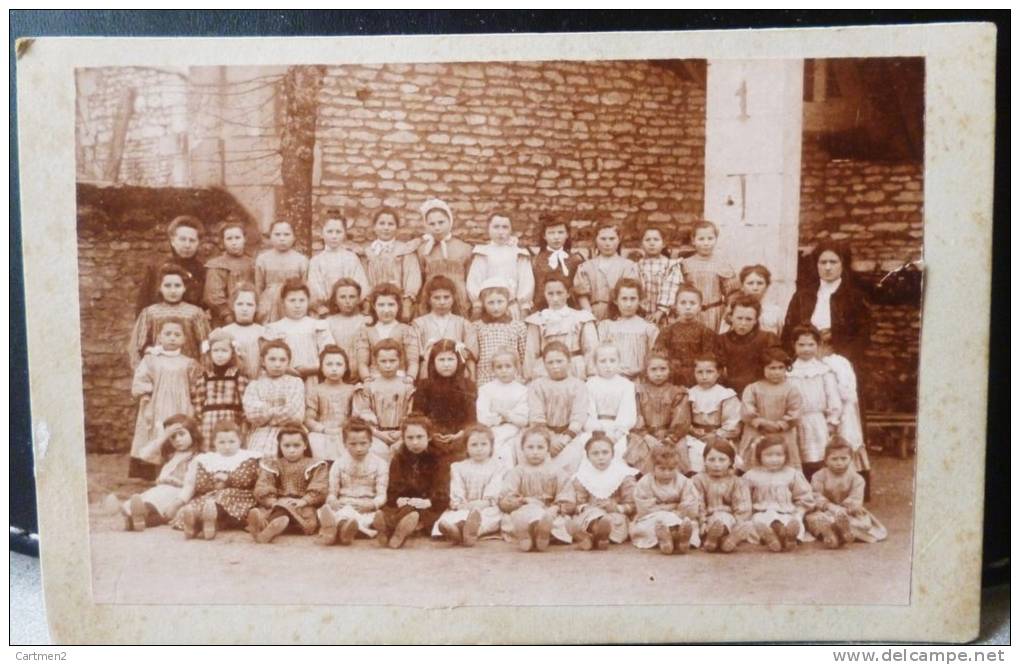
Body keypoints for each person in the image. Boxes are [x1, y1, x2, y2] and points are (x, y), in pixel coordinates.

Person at [782, 240, 872, 374]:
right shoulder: (803, 295)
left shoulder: (854, 297)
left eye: (833, 262)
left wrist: (843, 359)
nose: (827, 267)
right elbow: (789, 329)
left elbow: (863, 335)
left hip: (839, 358)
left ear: (843, 264)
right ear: (816, 264)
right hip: (803, 355)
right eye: (823, 262)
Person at [128, 319, 202, 480]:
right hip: (157, 406)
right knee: (159, 435)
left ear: (183, 339)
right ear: (159, 337)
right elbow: (142, 380)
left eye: (177, 334)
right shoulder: (151, 359)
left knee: (180, 435)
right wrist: (145, 400)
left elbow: (196, 386)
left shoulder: (189, 363)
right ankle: (158, 475)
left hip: (181, 406)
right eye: (167, 334)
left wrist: (194, 406)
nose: (172, 338)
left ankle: (179, 474)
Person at [172, 421, 261, 540]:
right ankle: (196, 525)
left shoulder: (248, 458)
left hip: (241, 499)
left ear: (240, 441)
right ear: (214, 443)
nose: (227, 446)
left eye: (232, 442)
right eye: (222, 442)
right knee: (196, 505)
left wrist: (229, 480)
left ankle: (206, 523)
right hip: (211, 497)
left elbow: (248, 479)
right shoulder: (207, 459)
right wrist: (213, 483)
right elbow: (198, 484)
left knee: (223, 497)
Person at [372, 415, 450, 549]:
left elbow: (441, 488)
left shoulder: (438, 458)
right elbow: (393, 487)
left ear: (429, 437)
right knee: (394, 509)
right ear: (403, 439)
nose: (415, 442)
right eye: (410, 438)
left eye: (419, 437)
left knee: (427, 515)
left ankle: (393, 529)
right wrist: (400, 499)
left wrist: (428, 501)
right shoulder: (399, 458)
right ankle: (397, 529)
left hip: (429, 503)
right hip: (406, 502)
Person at [498, 426, 574, 552]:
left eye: (540, 447)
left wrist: (555, 508)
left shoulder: (556, 472)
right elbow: (506, 497)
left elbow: (567, 496)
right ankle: (530, 534)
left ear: (548, 449)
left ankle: (539, 533)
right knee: (513, 519)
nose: (535, 452)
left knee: (562, 523)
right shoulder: (517, 472)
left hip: (548, 511)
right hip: (524, 509)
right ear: (522, 449)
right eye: (530, 447)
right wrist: (521, 501)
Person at [248, 426, 329, 544]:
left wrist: (305, 501)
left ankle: (266, 526)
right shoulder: (274, 465)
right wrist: (272, 501)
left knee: (294, 515)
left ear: (305, 445)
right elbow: (264, 484)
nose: (291, 450)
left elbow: (320, 486)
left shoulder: (315, 465)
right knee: (280, 509)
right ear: (280, 446)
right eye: (287, 446)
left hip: (303, 506)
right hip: (278, 503)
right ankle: (271, 525)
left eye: (296, 445)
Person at [316, 418, 389, 546]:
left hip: (367, 507)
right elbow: (332, 491)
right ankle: (341, 530)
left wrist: (373, 505)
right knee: (338, 514)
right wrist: (332, 500)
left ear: (371, 442)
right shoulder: (338, 464)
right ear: (345, 444)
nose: (359, 448)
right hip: (345, 504)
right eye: (353, 444)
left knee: (370, 520)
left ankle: (339, 532)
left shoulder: (380, 464)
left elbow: (382, 494)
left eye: (363, 443)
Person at [120, 415, 200, 531]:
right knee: (135, 504)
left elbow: (191, 485)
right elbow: (144, 455)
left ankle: (138, 517)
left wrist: (178, 503)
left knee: (151, 504)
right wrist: (163, 437)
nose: (177, 439)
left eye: (182, 434)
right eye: (173, 437)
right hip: (160, 489)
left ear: (192, 433)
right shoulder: (170, 455)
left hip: (177, 492)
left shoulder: (197, 457)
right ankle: (136, 520)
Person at [804, 438, 887, 548]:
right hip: (825, 511)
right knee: (814, 519)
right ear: (826, 460)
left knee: (863, 523)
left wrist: (844, 510)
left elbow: (856, 500)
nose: (839, 463)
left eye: (844, 459)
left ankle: (840, 532)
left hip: (848, 513)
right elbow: (815, 496)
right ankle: (833, 534)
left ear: (851, 459)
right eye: (834, 459)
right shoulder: (818, 476)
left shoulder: (857, 479)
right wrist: (830, 506)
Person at [433, 425, 505, 546]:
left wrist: (484, 503)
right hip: (464, 506)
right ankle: (456, 530)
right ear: (466, 447)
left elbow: (495, 489)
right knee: (454, 517)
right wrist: (460, 504)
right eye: (474, 445)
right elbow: (457, 488)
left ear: (491, 446)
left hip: (486, 506)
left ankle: (471, 532)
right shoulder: (458, 467)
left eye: (484, 444)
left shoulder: (497, 467)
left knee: (489, 517)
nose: (479, 449)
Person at [128, 263, 211, 369]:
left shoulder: (195, 312)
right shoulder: (150, 312)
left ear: (184, 288)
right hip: (159, 369)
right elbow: (138, 345)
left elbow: (205, 343)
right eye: (167, 286)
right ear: (160, 288)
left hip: (189, 368)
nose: (173, 290)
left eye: (177, 286)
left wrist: (203, 370)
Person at [786, 325, 842, 480]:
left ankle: (818, 489)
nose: (806, 349)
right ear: (794, 345)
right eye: (801, 345)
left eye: (811, 345)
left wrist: (832, 420)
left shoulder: (824, 371)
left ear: (818, 345)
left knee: (817, 457)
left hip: (817, 420)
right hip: (794, 421)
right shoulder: (788, 372)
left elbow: (833, 397)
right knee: (797, 458)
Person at [742, 434, 815, 553]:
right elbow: (744, 499)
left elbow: (804, 497)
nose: (774, 459)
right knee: (759, 522)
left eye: (779, 455)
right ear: (759, 456)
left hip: (787, 512)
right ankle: (774, 536)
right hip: (761, 513)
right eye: (768, 455)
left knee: (794, 522)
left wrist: (799, 513)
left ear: (786, 456)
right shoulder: (751, 475)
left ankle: (788, 537)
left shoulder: (792, 474)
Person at [624, 353, 692, 476]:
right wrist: (646, 436)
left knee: (678, 451)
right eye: (653, 369)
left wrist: (671, 438)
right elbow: (636, 415)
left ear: (670, 370)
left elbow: (681, 418)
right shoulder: (638, 391)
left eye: (663, 369)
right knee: (638, 449)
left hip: (669, 435)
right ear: (646, 371)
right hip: (644, 435)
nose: (658, 373)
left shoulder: (677, 392)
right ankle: (642, 479)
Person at [819, 331, 871, 493]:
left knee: (846, 443)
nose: (821, 348)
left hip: (842, 409)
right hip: (824, 410)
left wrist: (836, 411)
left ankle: (854, 489)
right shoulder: (812, 363)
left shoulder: (838, 363)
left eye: (825, 344)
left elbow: (846, 391)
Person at [526, 342, 589, 474]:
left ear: (569, 361)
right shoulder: (537, 385)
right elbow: (536, 416)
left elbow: (578, 417)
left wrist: (563, 441)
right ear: (544, 364)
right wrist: (549, 439)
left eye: (559, 361)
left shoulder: (578, 385)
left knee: (575, 455)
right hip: (544, 434)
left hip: (569, 436)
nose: (555, 366)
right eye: (550, 362)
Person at [412, 339, 477, 464]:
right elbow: (418, 416)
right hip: (431, 438)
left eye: (450, 359)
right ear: (433, 362)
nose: (446, 364)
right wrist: (431, 434)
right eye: (441, 360)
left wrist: (460, 434)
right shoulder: (424, 386)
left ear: (458, 361)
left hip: (460, 437)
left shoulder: (468, 386)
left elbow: (471, 418)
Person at [739, 346, 803, 472]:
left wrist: (779, 425)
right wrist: (761, 423)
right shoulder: (753, 388)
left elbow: (795, 412)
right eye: (772, 368)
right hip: (757, 432)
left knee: (784, 466)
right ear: (762, 368)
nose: (777, 372)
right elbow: (747, 410)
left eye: (781, 368)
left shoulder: (791, 389)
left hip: (783, 434)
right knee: (755, 466)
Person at [568, 434, 637, 550]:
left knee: (612, 520)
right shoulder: (582, 477)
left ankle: (595, 537)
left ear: (612, 454)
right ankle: (597, 536)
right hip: (591, 513)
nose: (601, 457)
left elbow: (632, 504)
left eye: (605, 453)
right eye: (595, 453)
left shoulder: (624, 475)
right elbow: (578, 503)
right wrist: (588, 507)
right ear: (588, 456)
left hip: (615, 515)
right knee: (591, 516)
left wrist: (616, 507)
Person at [351, 339, 416, 462]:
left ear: (400, 361)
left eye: (392, 361)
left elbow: (412, 414)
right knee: (375, 453)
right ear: (375, 362)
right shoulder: (368, 387)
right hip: (374, 435)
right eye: (383, 361)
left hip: (402, 434)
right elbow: (361, 417)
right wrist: (379, 434)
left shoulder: (407, 387)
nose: (388, 365)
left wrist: (401, 432)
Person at [523, 273, 598, 380]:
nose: (555, 299)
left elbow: (590, 349)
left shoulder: (581, 318)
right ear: (544, 294)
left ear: (568, 293)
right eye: (550, 294)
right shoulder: (537, 320)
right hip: (546, 369)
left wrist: (592, 375)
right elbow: (531, 352)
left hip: (574, 368)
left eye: (559, 293)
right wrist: (528, 378)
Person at [629, 446, 700, 554]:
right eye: (662, 469)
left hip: (678, 515)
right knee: (649, 525)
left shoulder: (684, 482)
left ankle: (680, 539)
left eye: (671, 469)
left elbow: (690, 502)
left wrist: (679, 511)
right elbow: (644, 507)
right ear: (653, 468)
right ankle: (667, 539)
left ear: (677, 467)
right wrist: (671, 509)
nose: (667, 473)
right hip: (654, 517)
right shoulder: (645, 482)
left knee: (689, 523)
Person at [264, 279, 335, 386]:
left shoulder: (317, 325)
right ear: (283, 302)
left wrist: (310, 369)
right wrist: (287, 369)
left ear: (308, 301)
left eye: (302, 300)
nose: (297, 305)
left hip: (314, 378)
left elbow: (329, 354)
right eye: (292, 300)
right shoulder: (275, 328)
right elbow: (267, 357)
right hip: (283, 377)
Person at [242, 340, 306, 456]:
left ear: (288, 362)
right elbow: (252, 414)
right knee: (259, 455)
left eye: (282, 360)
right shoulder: (254, 385)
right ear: (263, 361)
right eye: (272, 359)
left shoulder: (295, 382)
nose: (277, 364)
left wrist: (266, 413)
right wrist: (280, 409)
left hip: (290, 432)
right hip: (261, 434)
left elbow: (295, 415)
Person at [466, 213, 535, 320]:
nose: (500, 232)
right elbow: (475, 280)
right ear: (488, 229)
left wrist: (524, 307)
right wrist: (477, 304)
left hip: (512, 308)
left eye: (505, 227)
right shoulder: (482, 253)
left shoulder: (519, 253)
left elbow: (526, 281)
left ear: (511, 230)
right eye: (496, 227)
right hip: (487, 307)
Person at [361, 207, 422, 323]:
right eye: (382, 223)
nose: (386, 228)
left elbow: (412, 278)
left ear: (397, 228)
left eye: (390, 224)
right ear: (374, 227)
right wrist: (367, 303)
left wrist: (406, 305)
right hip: (374, 305)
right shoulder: (368, 252)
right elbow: (363, 280)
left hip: (399, 304)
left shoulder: (405, 250)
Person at [690, 439, 752, 554]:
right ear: (704, 461)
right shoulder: (698, 480)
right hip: (706, 519)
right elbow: (698, 503)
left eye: (722, 460)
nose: (716, 464)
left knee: (723, 519)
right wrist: (702, 521)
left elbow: (742, 506)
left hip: (729, 519)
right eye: (711, 460)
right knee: (705, 525)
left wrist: (738, 523)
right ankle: (715, 539)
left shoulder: (737, 482)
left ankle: (722, 540)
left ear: (731, 462)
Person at [135, 215, 206, 315]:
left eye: (192, 240)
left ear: (198, 243)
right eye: (182, 239)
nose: (187, 245)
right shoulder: (156, 269)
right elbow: (143, 306)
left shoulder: (203, 272)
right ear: (172, 241)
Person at [412, 275, 478, 380]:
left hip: (458, 378)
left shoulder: (464, 324)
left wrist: (472, 382)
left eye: (446, 297)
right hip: (429, 377)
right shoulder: (419, 324)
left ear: (453, 298)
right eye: (436, 298)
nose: (442, 302)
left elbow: (470, 358)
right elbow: (417, 358)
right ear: (429, 299)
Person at [678, 220, 739, 333]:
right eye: (701, 239)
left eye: (710, 238)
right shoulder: (685, 264)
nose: (706, 243)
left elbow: (732, 293)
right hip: (691, 313)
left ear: (716, 239)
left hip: (715, 313)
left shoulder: (722, 264)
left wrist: (729, 310)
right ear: (693, 240)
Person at [192, 329, 249, 449]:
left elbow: (246, 403)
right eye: (216, 351)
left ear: (232, 353)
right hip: (209, 421)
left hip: (232, 420)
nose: (220, 354)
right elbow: (198, 401)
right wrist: (200, 421)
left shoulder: (237, 375)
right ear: (209, 353)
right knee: (210, 452)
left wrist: (243, 424)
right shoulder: (205, 376)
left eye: (224, 351)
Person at [416, 198, 473, 316]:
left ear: (450, 221)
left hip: (459, 300)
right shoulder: (423, 250)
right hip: (433, 301)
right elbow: (420, 277)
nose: (437, 227)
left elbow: (470, 278)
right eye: (432, 224)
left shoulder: (465, 248)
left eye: (441, 222)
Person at [652, 284, 717, 388]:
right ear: (675, 306)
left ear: (700, 307)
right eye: (683, 303)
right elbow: (659, 357)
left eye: (692, 303)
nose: (688, 307)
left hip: (698, 380)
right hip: (672, 381)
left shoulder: (706, 332)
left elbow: (709, 359)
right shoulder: (667, 331)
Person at [307, 211, 370, 316]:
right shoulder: (316, 261)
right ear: (321, 233)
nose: (334, 236)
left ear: (345, 233)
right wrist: (324, 303)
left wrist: (350, 300)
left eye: (338, 232)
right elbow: (314, 287)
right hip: (325, 310)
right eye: (330, 231)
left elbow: (361, 284)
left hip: (350, 308)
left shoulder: (351, 258)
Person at [475, 348, 529, 470]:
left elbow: (523, 419)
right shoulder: (486, 390)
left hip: (514, 431)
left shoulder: (522, 390)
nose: (504, 371)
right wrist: (505, 418)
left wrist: (505, 414)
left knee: (511, 449)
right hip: (492, 430)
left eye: (508, 366)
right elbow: (482, 418)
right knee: (496, 447)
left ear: (516, 368)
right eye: (499, 367)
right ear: (493, 370)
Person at [574, 222, 639, 321]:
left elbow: (630, 293)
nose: (607, 243)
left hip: (621, 314)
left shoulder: (628, 266)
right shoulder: (586, 267)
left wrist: (622, 316)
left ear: (619, 240)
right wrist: (590, 316)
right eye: (603, 239)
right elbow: (581, 295)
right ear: (596, 240)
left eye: (612, 239)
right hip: (593, 313)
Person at [596, 278, 659, 381]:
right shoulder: (606, 326)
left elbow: (653, 358)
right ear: (616, 300)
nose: (628, 304)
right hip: (612, 379)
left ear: (640, 300)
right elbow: (600, 355)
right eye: (624, 299)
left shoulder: (648, 328)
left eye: (633, 299)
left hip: (640, 381)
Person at [716, 294, 779, 397]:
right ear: (731, 317)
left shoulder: (768, 339)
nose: (743, 323)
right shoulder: (721, 340)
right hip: (730, 393)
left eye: (749, 319)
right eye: (739, 318)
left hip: (761, 392)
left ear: (755, 320)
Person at [583, 344, 638, 461]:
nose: (608, 365)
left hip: (617, 430)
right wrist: (597, 431)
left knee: (618, 452)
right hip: (595, 430)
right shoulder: (590, 384)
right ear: (595, 364)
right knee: (587, 449)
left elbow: (628, 413)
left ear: (619, 362)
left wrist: (616, 433)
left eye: (612, 361)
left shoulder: (626, 385)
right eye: (602, 361)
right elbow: (587, 412)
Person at [356, 282, 420, 381]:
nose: (386, 310)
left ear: (398, 305)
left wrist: (410, 378)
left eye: (391, 305)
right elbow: (362, 362)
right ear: (373, 306)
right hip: (374, 379)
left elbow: (413, 361)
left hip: (400, 379)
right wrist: (367, 379)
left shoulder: (407, 330)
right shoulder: (366, 330)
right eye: (381, 305)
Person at [471, 278, 527, 387]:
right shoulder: (476, 327)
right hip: (486, 379)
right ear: (483, 303)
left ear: (507, 302)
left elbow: (523, 356)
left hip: (512, 379)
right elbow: (474, 357)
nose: (496, 307)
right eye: (491, 303)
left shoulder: (518, 326)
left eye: (500, 302)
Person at [305, 346, 358, 461]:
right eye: (329, 364)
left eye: (339, 365)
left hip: (346, 431)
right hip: (323, 432)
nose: (334, 369)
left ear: (345, 368)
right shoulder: (315, 390)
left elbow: (356, 416)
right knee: (315, 440)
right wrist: (324, 430)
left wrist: (343, 429)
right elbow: (309, 418)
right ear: (321, 368)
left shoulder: (352, 390)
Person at [254, 220, 309, 324]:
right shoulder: (263, 259)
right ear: (270, 236)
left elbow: (304, 285)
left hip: (292, 300)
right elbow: (259, 286)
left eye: (286, 234)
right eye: (277, 234)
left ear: (294, 237)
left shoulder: (301, 260)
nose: (282, 238)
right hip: (269, 303)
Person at [203, 220, 255, 327]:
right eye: (229, 239)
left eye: (237, 238)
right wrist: (227, 314)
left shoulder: (253, 263)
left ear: (244, 239)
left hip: (250, 314)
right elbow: (213, 295)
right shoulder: (217, 265)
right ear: (223, 241)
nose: (234, 242)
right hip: (224, 319)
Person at [531, 213, 585, 311]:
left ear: (567, 234)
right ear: (544, 235)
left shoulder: (575, 260)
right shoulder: (535, 261)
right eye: (551, 233)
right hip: (542, 311)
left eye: (560, 232)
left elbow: (581, 290)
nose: (556, 237)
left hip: (570, 310)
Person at [687, 354, 741, 450]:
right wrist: (692, 431)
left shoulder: (726, 395)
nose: (704, 377)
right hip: (694, 438)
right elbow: (684, 419)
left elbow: (733, 423)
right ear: (694, 373)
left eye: (709, 372)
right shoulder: (690, 394)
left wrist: (716, 435)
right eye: (700, 372)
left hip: (720, 438)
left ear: (718, 373)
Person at [214, 282, 267, 380]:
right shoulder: (225, 333)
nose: (244, 309)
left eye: (249, 305)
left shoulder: (262, 332)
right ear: (232, 306)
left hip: (258, 382)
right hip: (233, 383)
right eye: (240, 304)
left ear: (257, 307)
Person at [324, 278, 372, 383]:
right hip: (336, 373)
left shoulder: (366, 321)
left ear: (359, 299)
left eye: (352, 297)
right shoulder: (328, 322)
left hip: (363, 374)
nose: (347, 301)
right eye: (342, 297)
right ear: (335, 300)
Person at [635, 225, 683, 325]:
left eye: (656, 240)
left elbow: (670, 289)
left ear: (663, 243)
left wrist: (660, 311)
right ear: (641, 244)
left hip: (664, 315)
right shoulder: (636, 266)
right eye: (648, 240)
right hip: (641, 315)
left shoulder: (671, 265)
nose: (652, 243)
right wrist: (640, 310)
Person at [720, 264, 784, 337]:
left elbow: (781, 336)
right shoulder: (732, 310)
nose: (755, 288)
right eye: (750, 283)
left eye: (760, 283)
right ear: (742, 286)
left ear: (767, 286)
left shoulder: (775, 311)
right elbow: (723, 338)